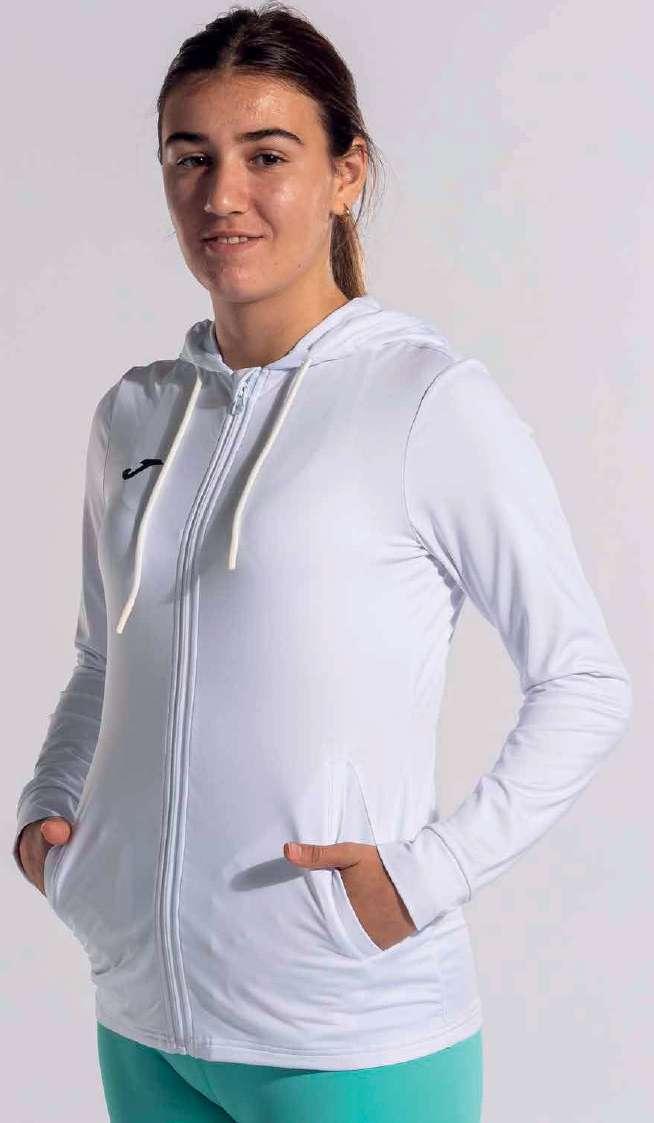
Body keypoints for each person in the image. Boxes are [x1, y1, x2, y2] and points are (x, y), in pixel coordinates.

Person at [13, 5, 631, 1122]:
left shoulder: (426, 401)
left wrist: (426, 876)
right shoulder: (136, 412)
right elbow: (105, 656)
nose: (221, 194)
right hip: (141, 1018)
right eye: (190, 157)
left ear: (347, 174)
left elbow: (583, 682)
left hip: (350, 1031)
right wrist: (53, 819)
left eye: (267, 156)